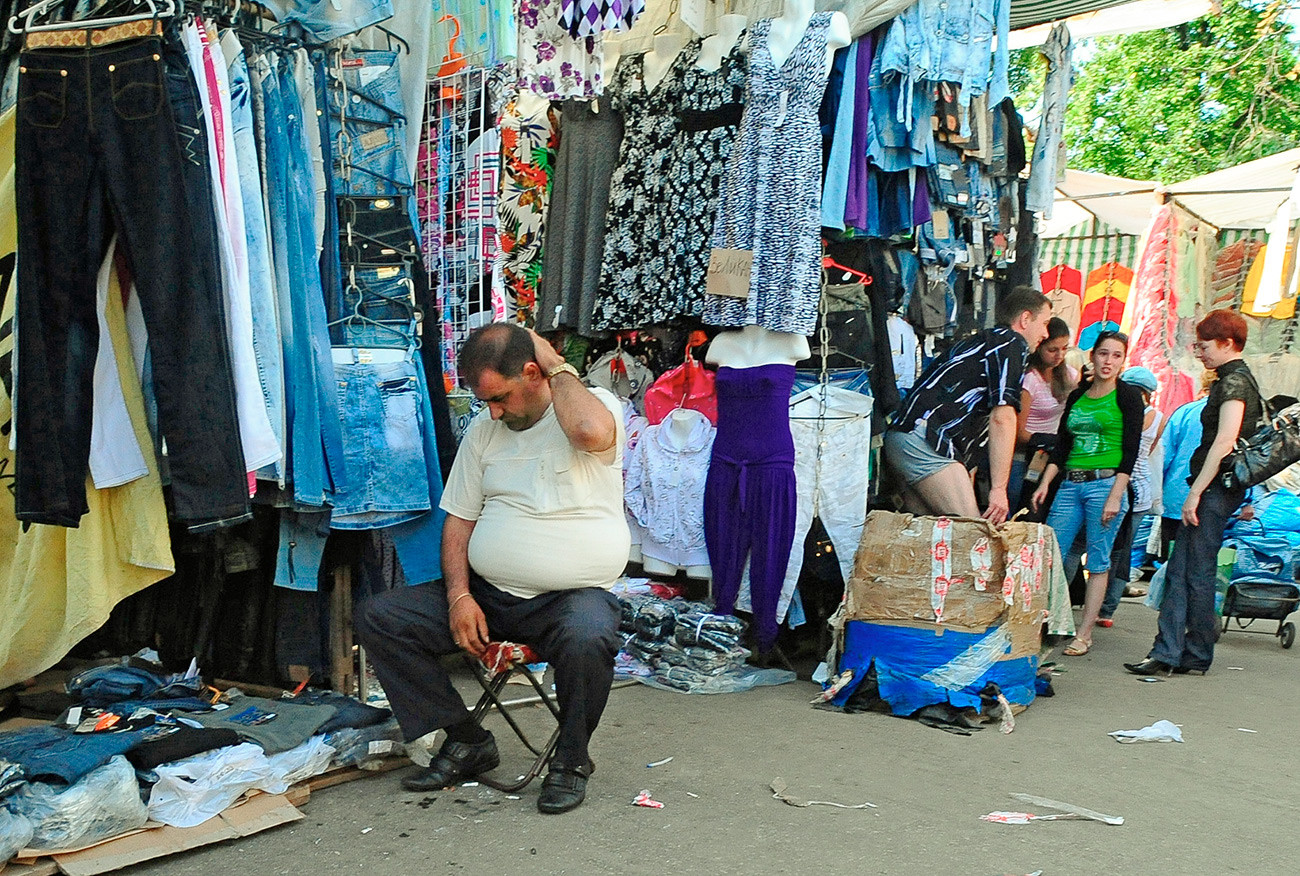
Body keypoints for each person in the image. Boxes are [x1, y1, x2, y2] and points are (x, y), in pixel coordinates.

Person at [354, 323, 630, 814]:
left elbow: (590, 435)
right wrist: (460, 595)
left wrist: (554, 361)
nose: (494, 411)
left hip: (572, 600)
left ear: (532, 372)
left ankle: (570, 760)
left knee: (589, 635)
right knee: (381, 616)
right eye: (486, 402)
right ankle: (466, 739)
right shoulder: (485, 431)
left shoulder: (594, 409)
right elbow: (459, 519)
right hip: (490, 595)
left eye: (500, 397)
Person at [1125, 310, 1265, 676]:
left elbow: (1224, 442)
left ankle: (1184, 651)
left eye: (1204, 345)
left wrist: (1195, 493)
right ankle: (1181, 652)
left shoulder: (1235, 383)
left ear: (1226, 344)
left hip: (1215, 489)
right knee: (1187, 571)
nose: (1199, 352)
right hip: (1217, 489)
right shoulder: (1231, 380)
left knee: (1193, 572)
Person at [885, 286, 1052, 524]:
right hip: (928, 439)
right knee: (972, 535)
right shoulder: (1010, 343)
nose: (1046, 333)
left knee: (928, 540)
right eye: (1045, 323)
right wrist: (998, 490)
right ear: (1025, 319)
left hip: (906, 436)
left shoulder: (983, 342)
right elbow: (1002, 418)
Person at [1030, 331, 1144, 656]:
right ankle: (1043, 623)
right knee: (1049, 554)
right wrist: (1044, 483)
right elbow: (1063, 445)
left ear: (1123, 360)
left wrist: (1116, 494)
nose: (1108, 361)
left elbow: (1131, 449)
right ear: (1092, 356)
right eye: (1103, 354)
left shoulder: (1128, 397)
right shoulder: (1079, 395)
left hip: (1106, 483)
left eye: (1116, 355)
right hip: (1070, 483)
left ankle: (1084, 633)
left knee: (1098, 560)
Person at [1097, 366, 1164, 626]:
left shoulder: (1118, 412)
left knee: (1103, 546)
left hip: (1114, 487)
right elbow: (1148, 453)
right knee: (1123, 552)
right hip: (1141, 492)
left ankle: (1090, 599)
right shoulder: (1158, 418)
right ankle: (1107, 610)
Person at [1009, 317, 1079, 508]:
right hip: (1023, 457)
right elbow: (1018, 432)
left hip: (1052, 456)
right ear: (1039, 347)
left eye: (1064, 348)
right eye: (1053, 350)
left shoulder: (1070, 375)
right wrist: (1049, 440)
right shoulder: (1030, 380)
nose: (1059, 355)